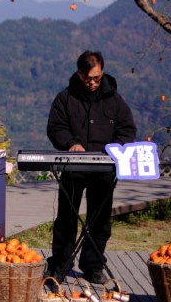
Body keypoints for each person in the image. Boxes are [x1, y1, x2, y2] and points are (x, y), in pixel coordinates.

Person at [45, 50, 136, 284]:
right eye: (87, 79)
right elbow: (56, 128)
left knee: (100, 219)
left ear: (102, 72)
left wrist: (115, 147)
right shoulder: (65, 98)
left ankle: (93, 265)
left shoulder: (115, 100)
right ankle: (60, 264)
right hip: (74, 169)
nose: (92, 83)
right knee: (66, 218)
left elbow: (127, 130)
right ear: (79, 73)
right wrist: (71, 144)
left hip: (104, 170)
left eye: (96, 78)